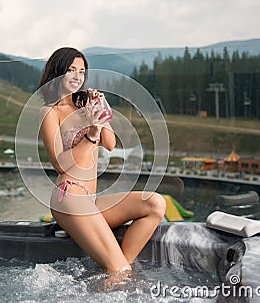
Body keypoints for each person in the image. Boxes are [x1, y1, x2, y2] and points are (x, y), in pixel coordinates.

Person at [38, 47, 166, 273]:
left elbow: (109, 143)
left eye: (82, 71)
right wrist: (91, 135)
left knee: (155, 204)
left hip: (91, 199)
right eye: (70, 70)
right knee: (120, 270)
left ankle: (115, 272)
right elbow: (59, 163)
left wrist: (100, 111)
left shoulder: (85, 106)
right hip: (69, 196)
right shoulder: (50, 111)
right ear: (58, 72)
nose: (77, 76)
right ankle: (117, 271)